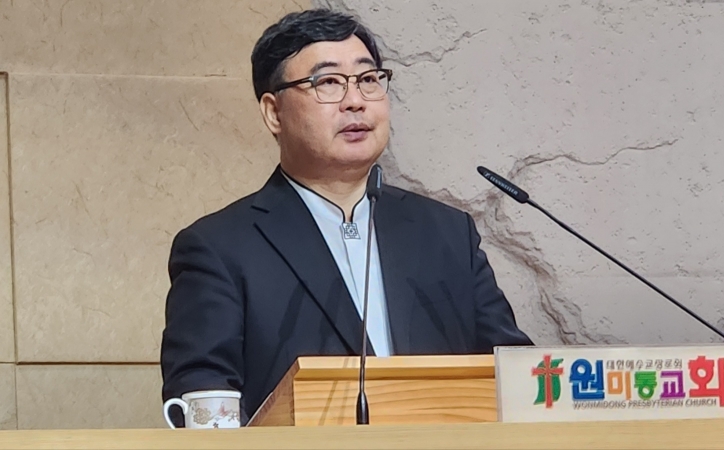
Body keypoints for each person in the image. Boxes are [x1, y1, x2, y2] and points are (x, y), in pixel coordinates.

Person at [160, 7, 532, 426]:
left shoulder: (447, 233)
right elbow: (203, 400)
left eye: (368, 79)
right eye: (328, 82)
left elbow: (517, 377)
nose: (355, 101)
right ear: (274, 113)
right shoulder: (220, 247)